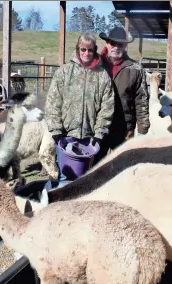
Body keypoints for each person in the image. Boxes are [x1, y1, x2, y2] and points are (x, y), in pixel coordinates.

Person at [44, 32, 115, 182]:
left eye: (90, 50)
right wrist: (56, 131)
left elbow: (107, 107)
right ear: (78, 49)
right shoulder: (64, 72)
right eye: (83, 49)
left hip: (90, 140)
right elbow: (53, 102)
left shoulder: (102, 76)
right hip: (66, 137)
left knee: (87, 180)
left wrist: (99, 133)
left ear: (94, 50)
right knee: (65, 177)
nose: (86, 53)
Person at [99, 27, 150, 149]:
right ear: (107, 43)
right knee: (96, 165)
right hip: (98, 126)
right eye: (113, 43)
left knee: (121, 165)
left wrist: (143, 129)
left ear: (125, 46)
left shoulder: (135, 69)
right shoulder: (96, 65)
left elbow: (141, 100)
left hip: (124, 128)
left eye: (120, 44)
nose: (116, 47)